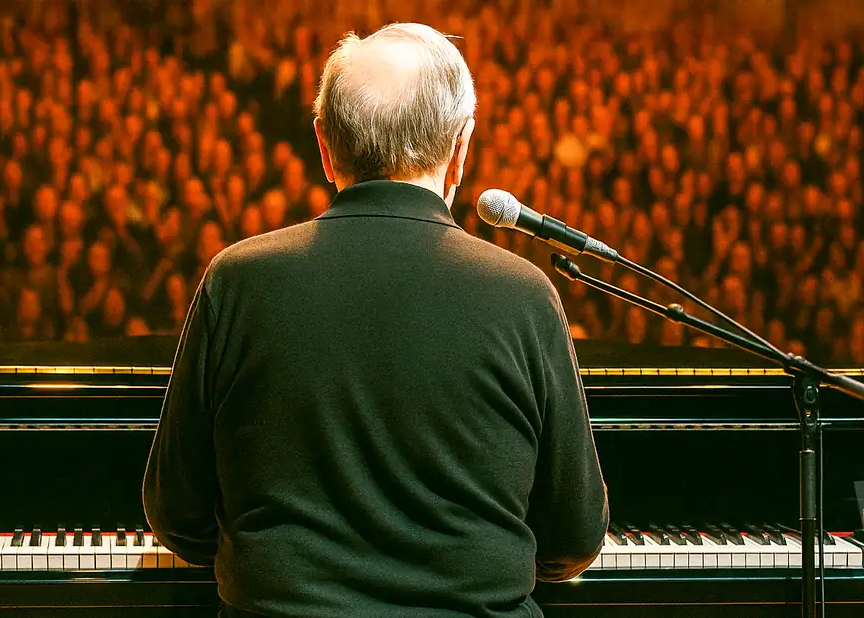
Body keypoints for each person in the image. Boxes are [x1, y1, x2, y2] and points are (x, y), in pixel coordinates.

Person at [143, 22, 608, 618]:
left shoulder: (237, 281)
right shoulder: (522, 295)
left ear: (323, 145)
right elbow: (573, 540)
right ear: (461, 148)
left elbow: (177, 515)